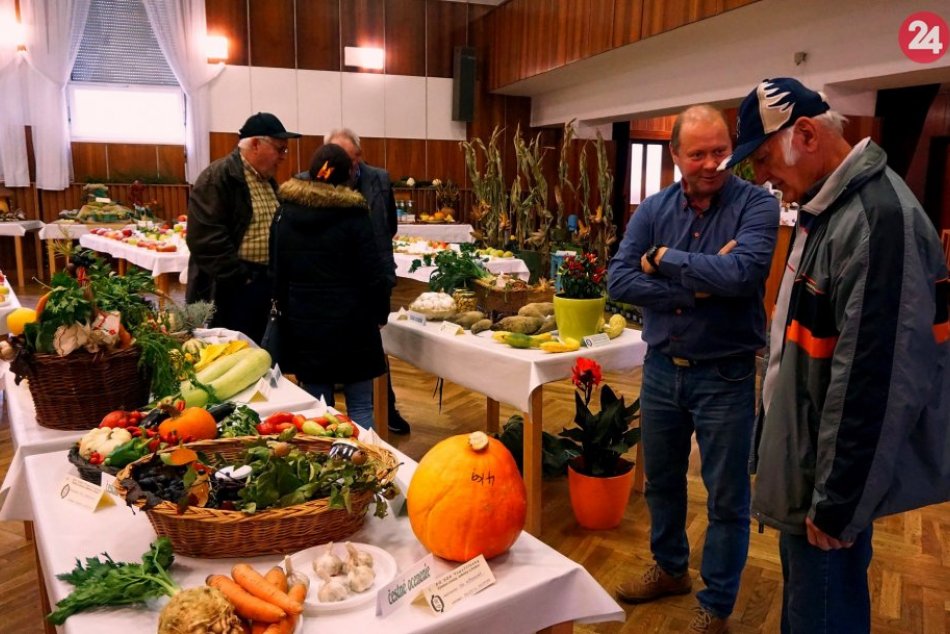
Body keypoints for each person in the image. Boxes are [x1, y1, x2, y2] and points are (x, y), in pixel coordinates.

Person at [722, 77, 950, 634]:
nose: (760, 177)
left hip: (828, 489)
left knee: (824, 616)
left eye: (763, 158)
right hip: (808, 472)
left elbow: (879, 382)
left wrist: (839, 502)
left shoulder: (877, 223)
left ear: (805, 134)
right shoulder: (828, 210)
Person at [608, 105, 780, 633]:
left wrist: (662, 259)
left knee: (727, 496)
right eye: (698, 153)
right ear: (676, 155)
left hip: (726, 374)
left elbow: (744, 273)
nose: (711, 163)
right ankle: (671, 568)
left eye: (720, 151)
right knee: (661, 482)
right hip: (661, 369)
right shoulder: (654, 207)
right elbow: (618, 278)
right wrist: (701, 285)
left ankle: (718, 604)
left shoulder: (757, 206)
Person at [269, 143, 391, 430]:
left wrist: (284, 314)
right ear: (349, 175)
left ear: (311, 173)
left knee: (318, 409)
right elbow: (374, 272)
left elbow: (276, 273)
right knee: (361, 405)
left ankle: (325, 467)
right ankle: (365, 464)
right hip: (354, 325)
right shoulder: (356, 215)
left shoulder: (285, 214)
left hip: (306, 325)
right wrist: (380, 314)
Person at [325, 127, 411, 435]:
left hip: (373, 279)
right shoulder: (316, 181)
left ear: (359, 155)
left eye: (350, 157)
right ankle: (332, 421)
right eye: (338, 158)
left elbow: (388, 226)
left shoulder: (379, 179)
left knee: (377, 350)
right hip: (333, 284)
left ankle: (387, 408)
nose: (346, 165)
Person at [186, 112, 300, 343]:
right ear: (256, 144)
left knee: (259, 350)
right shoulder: (217, 178)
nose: (283, 157)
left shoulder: (266, 180)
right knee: (233, 353)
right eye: (280, 149)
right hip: (232, 289)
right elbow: (205, 240)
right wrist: (242, 278)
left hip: (262, 284)